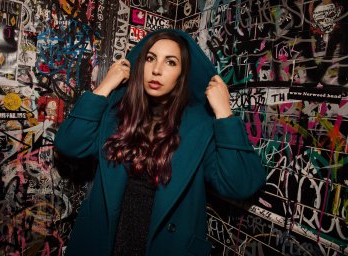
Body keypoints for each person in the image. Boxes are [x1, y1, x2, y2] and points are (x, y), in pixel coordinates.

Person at [54, 29, 266, 256]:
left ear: (182, 74)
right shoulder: (117, 114)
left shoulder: (200, 127)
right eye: (150, 58)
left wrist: (224, 113)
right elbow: (70, 145)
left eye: (171, 62)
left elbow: (239, 184)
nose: (156, 70)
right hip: (104, 244)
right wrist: (105, 86)